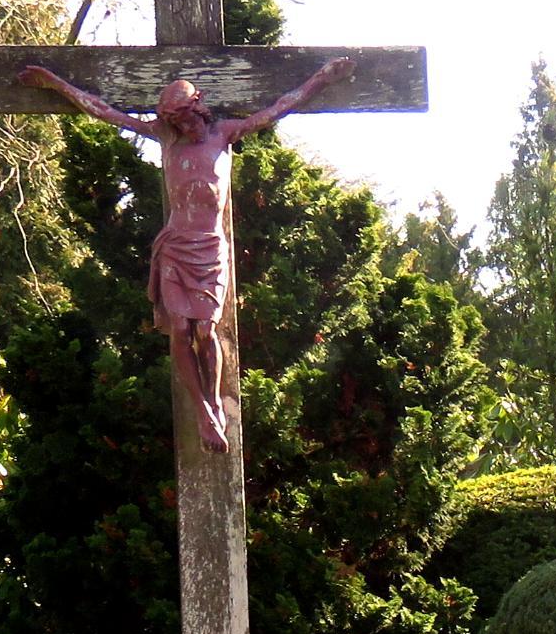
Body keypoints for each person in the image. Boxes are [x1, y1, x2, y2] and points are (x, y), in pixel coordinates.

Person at [18, 57, 356, 452]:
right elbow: (105, 111)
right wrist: (56, 83)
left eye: (185, 117)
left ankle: (214, 399)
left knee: (205, 330)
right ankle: (203, 412)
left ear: (199, 105)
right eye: (174, 120)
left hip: (209, 248)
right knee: (180, 328)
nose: (182, 126)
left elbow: (280, 106)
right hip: (175, 247)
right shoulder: (165, 137)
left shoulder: (225, 134)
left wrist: (322, 78)